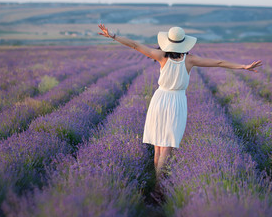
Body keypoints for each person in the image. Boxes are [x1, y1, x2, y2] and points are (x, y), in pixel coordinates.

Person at [98, 24, 262, 198]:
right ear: (184, 43)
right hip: (176, 101)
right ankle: (159, 189)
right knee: (168, 146)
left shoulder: (161, 56)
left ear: (168, 42)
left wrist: (113, 35)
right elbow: (218, 63)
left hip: (160, 99)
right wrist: (243, 66)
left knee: (159, 146)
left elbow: (135, 45)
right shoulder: (190, 60)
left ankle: (157, 183)